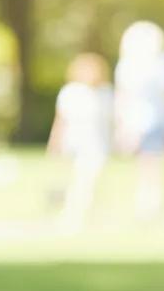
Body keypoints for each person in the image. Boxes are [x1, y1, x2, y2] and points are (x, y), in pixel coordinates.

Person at [113, 20, 164, 220]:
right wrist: (122, 125)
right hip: (139, 121)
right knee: (150, 161)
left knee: (151, 160)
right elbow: (122, 98)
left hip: (158, 119)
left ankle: (151, 202)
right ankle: (152, 201)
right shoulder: (129, 66)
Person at [47, 53, 114, 230]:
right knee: (77, 179)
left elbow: (111, 121)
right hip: (73, 143)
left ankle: (79, 213)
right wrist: (55, 144)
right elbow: (60, 121)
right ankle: (75, 212)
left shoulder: (105, 93)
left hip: (96, 145)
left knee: (87, 179)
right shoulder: (71, 93)